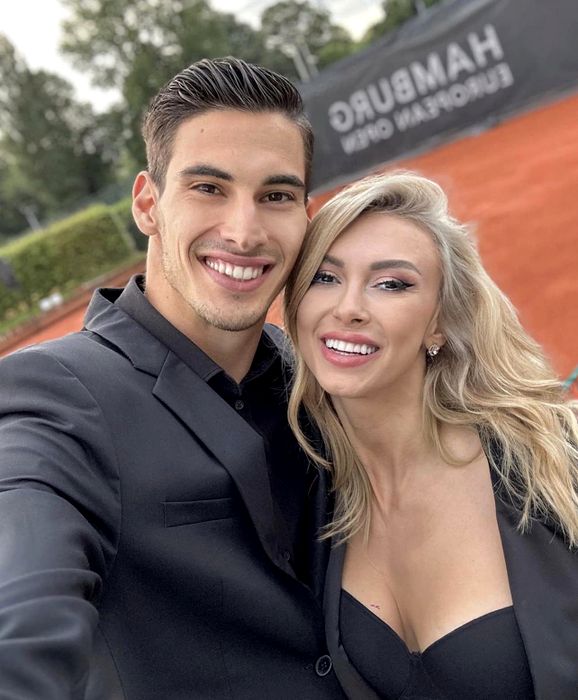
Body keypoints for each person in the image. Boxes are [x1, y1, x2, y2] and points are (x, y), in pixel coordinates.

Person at [0, 58, 345, 699]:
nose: (244, 232)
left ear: (305, 215)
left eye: (275, 196)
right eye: (208, 187)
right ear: (147, 204)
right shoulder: (51, 397)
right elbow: (21, 618)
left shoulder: (318, 375)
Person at [284, 172, 578, 699]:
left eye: (391, 284)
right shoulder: (305, 497)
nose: (347, 307)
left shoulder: (555, 458)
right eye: (325, 278)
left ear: (438, 323)